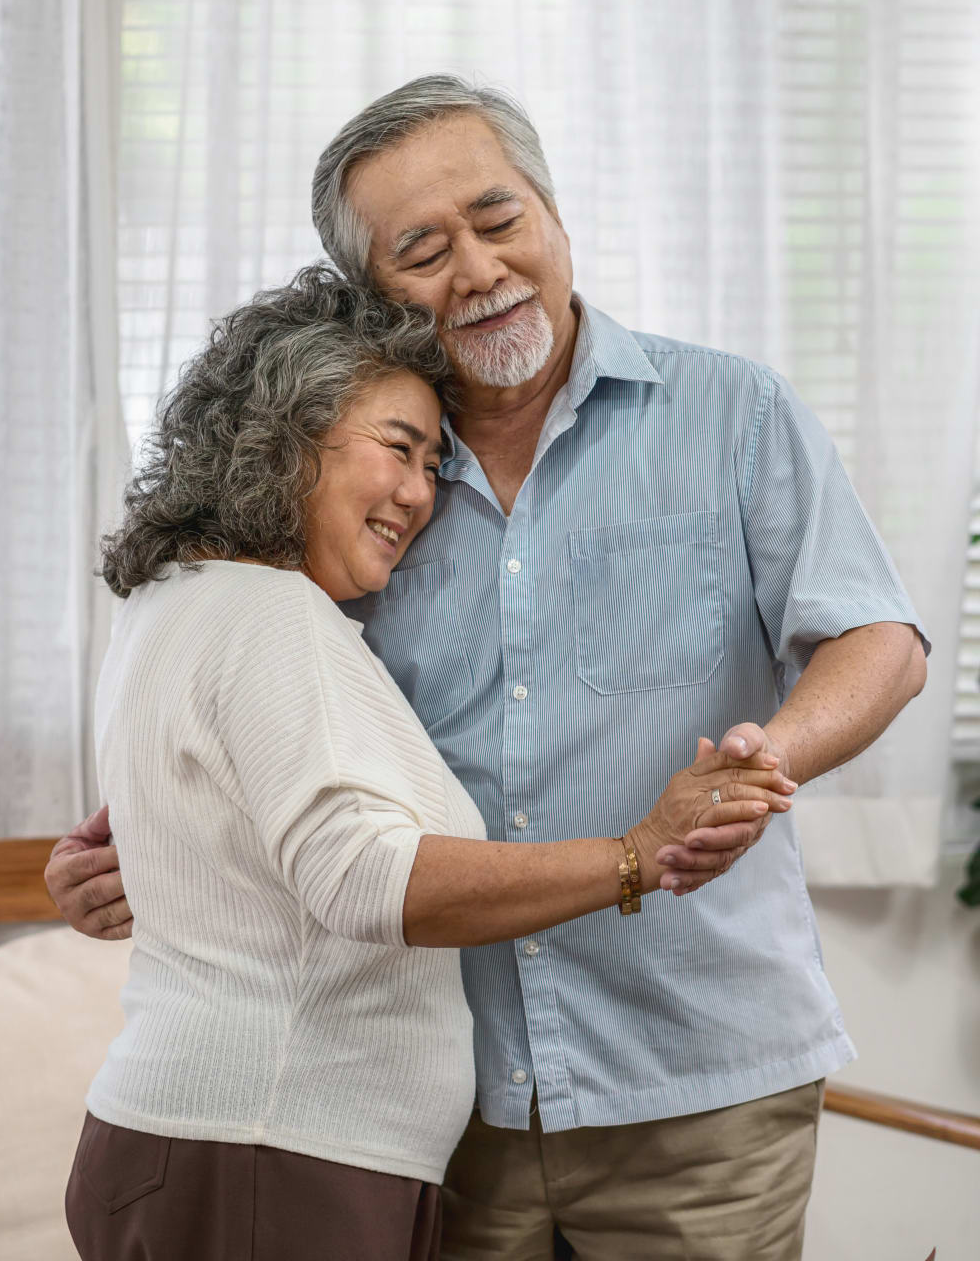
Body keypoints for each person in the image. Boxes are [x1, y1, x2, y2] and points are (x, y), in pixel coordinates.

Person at [48, 77, 928, 1261]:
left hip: (697, 1075)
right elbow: (261, 716)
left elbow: (879, 636)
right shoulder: (348, 491)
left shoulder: (733, 410)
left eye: (498, 217)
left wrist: (774, 753)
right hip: (449, 1100)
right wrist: (160, 846)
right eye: (421, 249)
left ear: (555, 214)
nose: (475, 267)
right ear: (372, 293)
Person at [62, 264, 793, 1261]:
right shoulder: (269, 614)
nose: (418, 496)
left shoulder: (177, 601)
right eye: (399, 450)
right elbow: (362, 878)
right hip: (271, 1154)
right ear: (282, 433)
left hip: (225, 1143)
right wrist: (634, 853)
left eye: (432, 464)